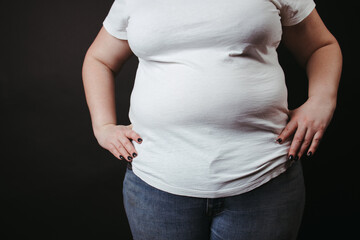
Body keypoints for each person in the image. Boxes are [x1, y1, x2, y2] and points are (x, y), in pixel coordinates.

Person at [82, 0, 342, 239]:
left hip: (264, 178)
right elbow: (99, 59)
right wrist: (103, 127)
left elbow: (321, 46)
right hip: (156, 186)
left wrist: (322, 101)